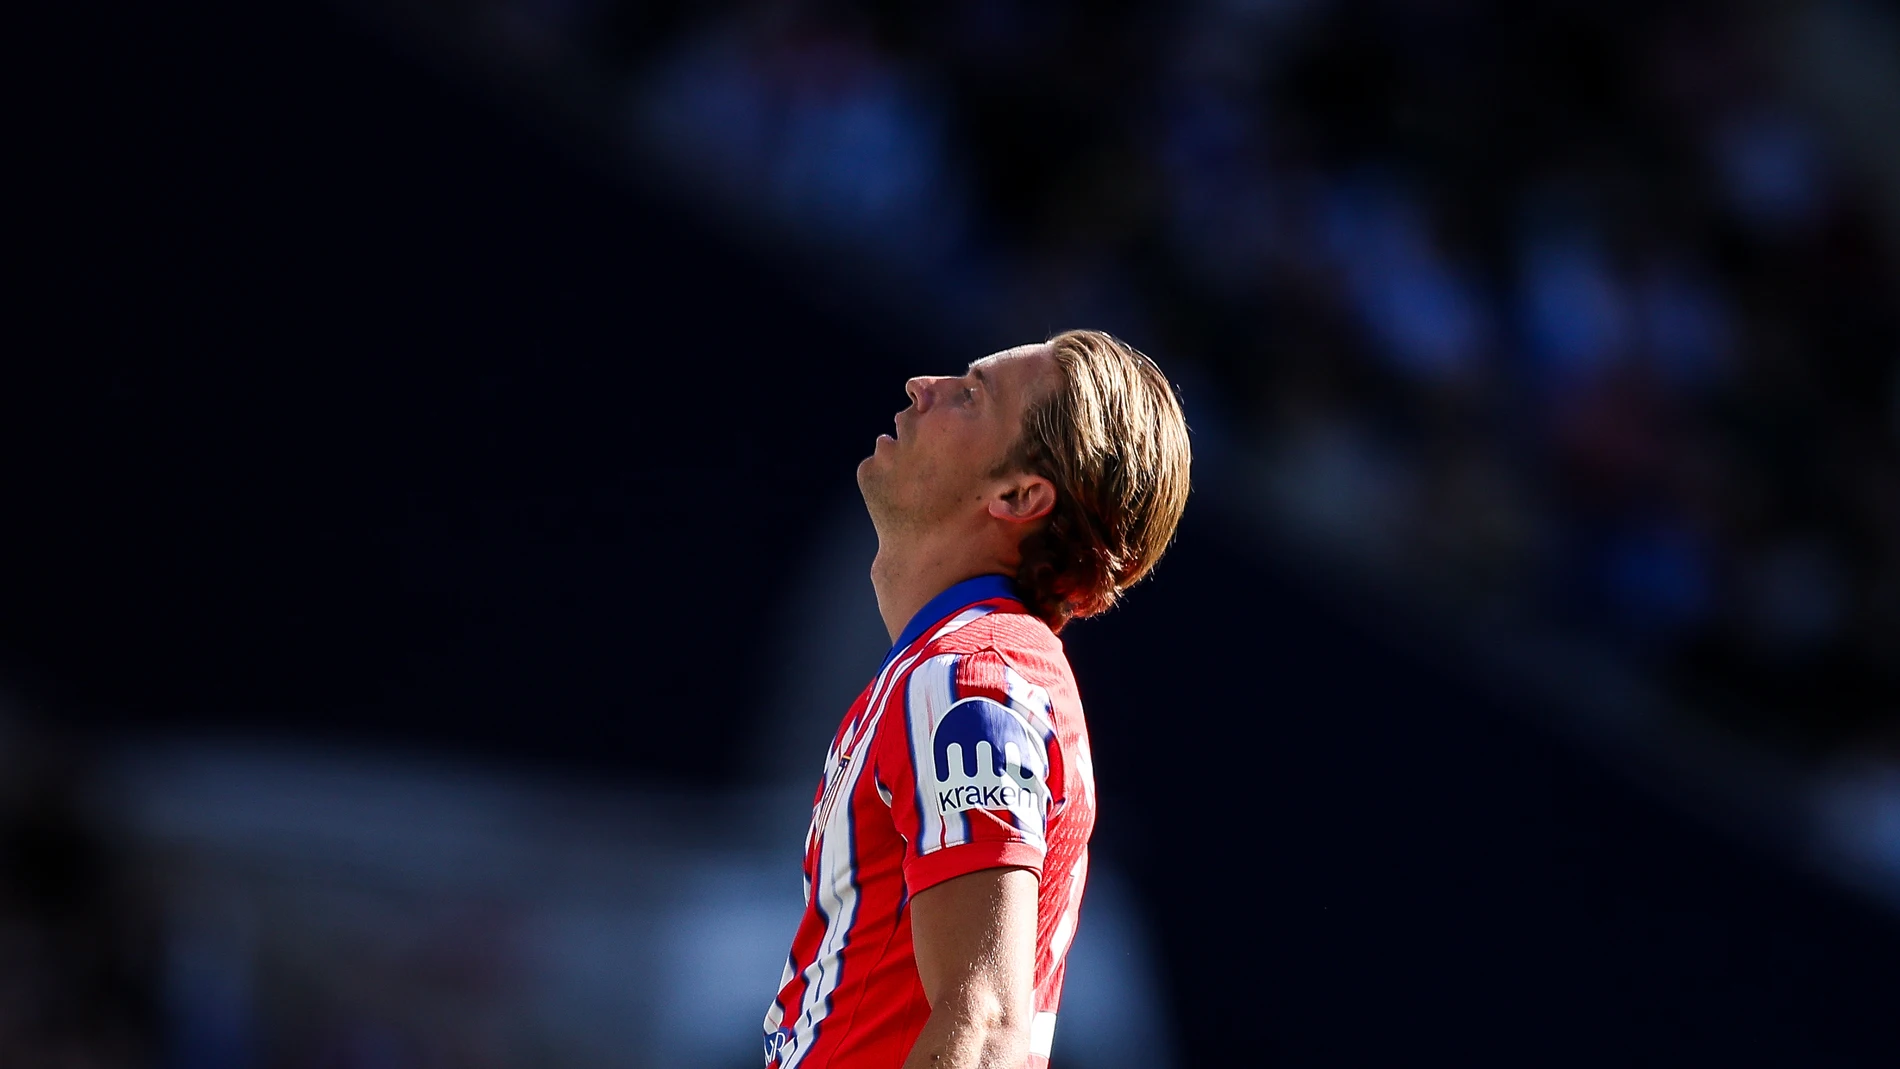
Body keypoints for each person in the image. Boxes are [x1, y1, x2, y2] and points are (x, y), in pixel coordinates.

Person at [763, 330, 1192, 1068]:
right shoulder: (966, 667)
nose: (920, 386)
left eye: (970, 395)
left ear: (1020, 495)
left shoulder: (972, 680)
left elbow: (987, 1028)